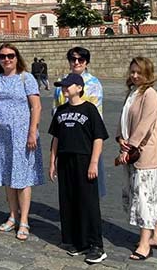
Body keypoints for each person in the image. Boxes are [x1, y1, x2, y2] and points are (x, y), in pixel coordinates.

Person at [0, 44, 43, 241]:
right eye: (3, 56)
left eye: (10, 56)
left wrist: (32, 132)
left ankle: (24, 220)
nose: (7, 59)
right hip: (1, 135)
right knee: (8, 175)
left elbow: (36, 106)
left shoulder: (25, 77)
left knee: (22, 177)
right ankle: (12, 215)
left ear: (17, 57)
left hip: (22, 133)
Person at [49, 73, 109, 264]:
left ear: (79, 88)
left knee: (88, 203)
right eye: (63, 86)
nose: (65, 89)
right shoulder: (60, 110)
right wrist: (52, 162)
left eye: (68, 86)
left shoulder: (89, 109)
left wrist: (93, 162)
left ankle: (96, 245)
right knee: (69, 201)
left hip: (84, 160)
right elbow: (56, 138)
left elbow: (98, 138)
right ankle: (78, 241)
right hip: (65, 160)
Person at [117, 56, 157, 261]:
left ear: (148, 74)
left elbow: (145, 125)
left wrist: (128, 148)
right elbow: (125, 119)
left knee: (144, 198)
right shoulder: (132, 93)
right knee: (152, 195)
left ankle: (145, 244)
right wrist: (120, 137)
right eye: (133, 71)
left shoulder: (150, 94)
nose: (135, 75)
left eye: (139, 72)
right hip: (132, 149)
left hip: (144, 152)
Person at [53, 47, 106, 198]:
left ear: (86, 62)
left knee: (89, 181)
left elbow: (96, 115)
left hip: (85, 138)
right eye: (73, 59)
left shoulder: (94, 83)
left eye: (80, 60)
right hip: (66, 137)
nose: (76, 62)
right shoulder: (61, 84)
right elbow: (55, 110)